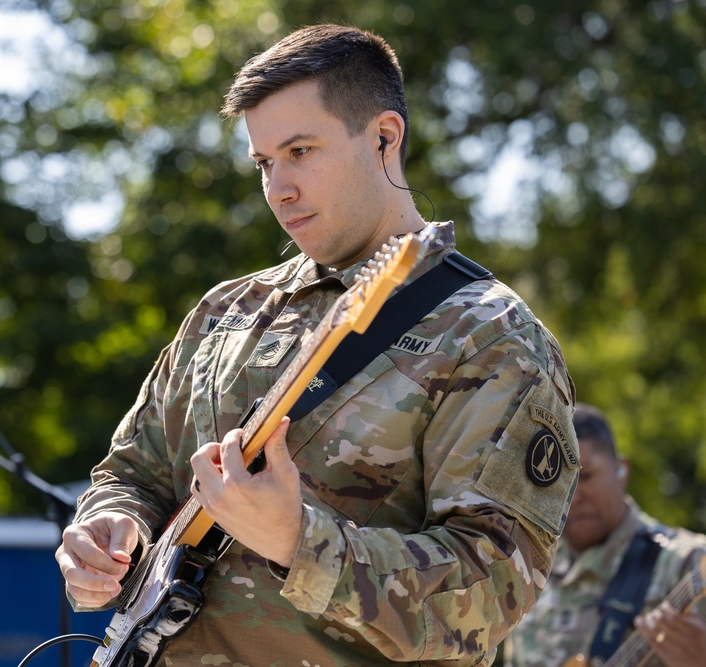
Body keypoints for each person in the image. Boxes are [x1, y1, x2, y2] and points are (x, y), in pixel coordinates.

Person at [56, 24, 579, 665]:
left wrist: (299, 540)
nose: (278, 189)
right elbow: (132, 472)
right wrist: (111, 532)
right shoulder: (227, 311)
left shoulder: (490, 336)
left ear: (385, 137)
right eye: (264, 163)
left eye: (300, 150)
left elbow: (492, 591)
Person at [503, 403, 706, 667]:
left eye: (584, 477)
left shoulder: (688, 564)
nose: (572, 499)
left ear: (621, 469)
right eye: (557, 484)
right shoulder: (525, 573)